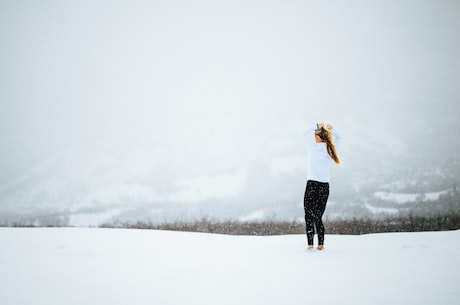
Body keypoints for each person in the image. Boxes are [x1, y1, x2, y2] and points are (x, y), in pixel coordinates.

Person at [299, 122, 341, 251]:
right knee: (318, 216)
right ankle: (321, 245)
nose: (313, 137)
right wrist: (330, 129)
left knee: (308, 215)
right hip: (324, 186)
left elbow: (300, 133)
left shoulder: (312, 148)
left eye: (315, 135)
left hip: (312, 184)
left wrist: (315, 125)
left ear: (318, 137)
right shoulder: (330, 149)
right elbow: (340, 138)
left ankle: (310, 244)